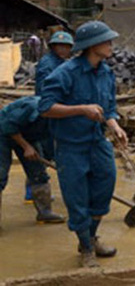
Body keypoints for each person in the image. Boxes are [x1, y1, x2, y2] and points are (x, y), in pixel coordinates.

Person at [38, 21, 129, 268]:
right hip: (70, 146)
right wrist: (81, 109)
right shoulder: (64, 74)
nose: (111, 45)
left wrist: (115, 127)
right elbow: (45, 108)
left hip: (97, 142)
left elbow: (108, 109)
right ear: (92, 46)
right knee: (77, 198)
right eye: (107, 41)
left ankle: (91, 235)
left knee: (104, 187)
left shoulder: (106, 72)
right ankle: (86, 248)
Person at [0, 96, 66, 226]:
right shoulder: (33, 108)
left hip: (28, 136)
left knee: (38, 173)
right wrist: (25, 146)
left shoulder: (61, 119)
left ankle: (45, 213)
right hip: (3, 132)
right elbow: (8, 126)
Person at [28, 31, 73, 201]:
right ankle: (33, 190)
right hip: (49, 112)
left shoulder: (61, 62)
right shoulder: (48, 64)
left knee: (48, 151)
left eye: (66, 47)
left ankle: (34, 190)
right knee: (45, 150)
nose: (63, 49)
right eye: (60, 46)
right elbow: (44, 91)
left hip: (57, 110)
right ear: (54, 47)